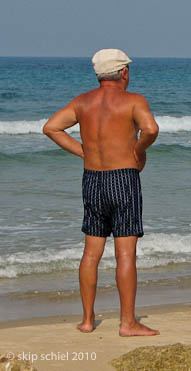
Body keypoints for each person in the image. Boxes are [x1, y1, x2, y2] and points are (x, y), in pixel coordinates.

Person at [43, 49, 160, 336]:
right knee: (125, 254)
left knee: (91, 253)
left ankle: (86, 320)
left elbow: (51, 128)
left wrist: (84, 153)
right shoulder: (133, 101)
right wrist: (137, 150)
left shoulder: (83, 102)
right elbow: (151, 129)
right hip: (123, 178)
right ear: (123, 73)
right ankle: (128, 323)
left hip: (92, 179)